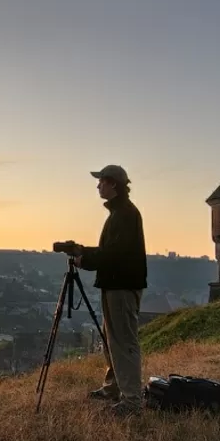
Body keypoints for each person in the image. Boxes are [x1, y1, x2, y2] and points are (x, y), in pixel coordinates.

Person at [73, 164, 148, 416]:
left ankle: (131, 401)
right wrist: (84, 251)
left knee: (123, 342)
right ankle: (114, 388)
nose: (98, 186)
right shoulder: (120, 213)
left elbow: (115, 254)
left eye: (101, 182)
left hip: (122, 286)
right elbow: (111, 250)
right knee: (112, 340)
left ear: (113, 184)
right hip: (117, 285)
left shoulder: (125, 214)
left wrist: (87, 261)